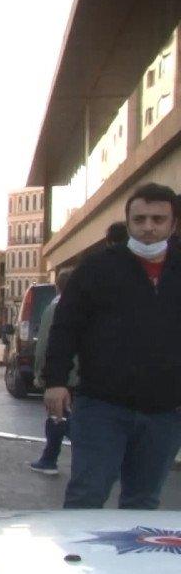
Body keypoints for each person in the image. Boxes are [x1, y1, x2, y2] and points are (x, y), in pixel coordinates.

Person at [44, 183, 181, 509]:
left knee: (143, 502)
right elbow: (65, 327)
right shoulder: (97, 268)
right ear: (128, 221)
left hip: (164, 413)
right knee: (86, 496)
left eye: (158, 219)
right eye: (140, 219)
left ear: (173, 224)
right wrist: (55, 381)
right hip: (102, 408)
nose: (148, 227)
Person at [28, 268, 76, 475]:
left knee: (57, 416)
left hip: (61, 375)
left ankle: (49, 460)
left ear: (58, 287)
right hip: (84, 375)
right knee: (67, 416)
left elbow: (44, 345)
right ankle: (50, 458)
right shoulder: (90, 307)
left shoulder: (54, 308)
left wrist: (40, 373)